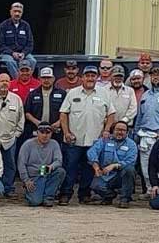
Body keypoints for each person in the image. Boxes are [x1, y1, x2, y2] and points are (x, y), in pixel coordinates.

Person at [59, 66, 115, 205]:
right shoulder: (72, 93)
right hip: (74, 140)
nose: (90, 78)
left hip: (95, 140)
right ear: (82, 77)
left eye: (93, 76)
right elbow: (63, 113)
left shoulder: (104, 93)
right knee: (70, 169)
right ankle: (65, 194)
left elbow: (111, 114)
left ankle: (84, 195)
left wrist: (107, 129)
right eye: (87, 76)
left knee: (88, 170)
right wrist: (66, 132)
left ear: (97, 78)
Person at [86, 121, 138, 207]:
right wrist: (95, 166)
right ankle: (109, 196)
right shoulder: (104, 140)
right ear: (113, 130)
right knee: (95, 186)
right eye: (117, 129)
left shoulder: (131, 144)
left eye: (123, 130)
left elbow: (131, 161)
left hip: (121, 175)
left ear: (127, 132)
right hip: (105, 174)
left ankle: (125, 199)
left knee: (130, 170)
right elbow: (91, 152)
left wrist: (114, 165)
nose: (120, 132)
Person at [17, 125, 64, 207]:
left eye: (47, 133)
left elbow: (59, 161)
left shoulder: (54, 144)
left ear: (51, 133)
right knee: (35, 202)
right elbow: (21, 164)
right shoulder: (28, 144)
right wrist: (26, 180)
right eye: (42, 132)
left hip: (46, 171)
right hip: (34, 175)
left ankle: (48, 197)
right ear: (37, 133)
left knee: (60, 171)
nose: (44, 135)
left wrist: (51, 167)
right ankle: (33, 193)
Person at [0, 1, 36, 75]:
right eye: (15, 11)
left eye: (19, 12)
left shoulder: (26, 25)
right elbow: (0, 45)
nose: (17, 14)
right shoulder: (3, 25)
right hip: (7, 54)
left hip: (23, 53)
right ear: (11, 12)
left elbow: (30, 44)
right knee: (10, 62)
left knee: (33, 61)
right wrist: (12, 53)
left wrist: (24, 53)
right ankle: (18, 80)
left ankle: (28, 79)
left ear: (22, 13)